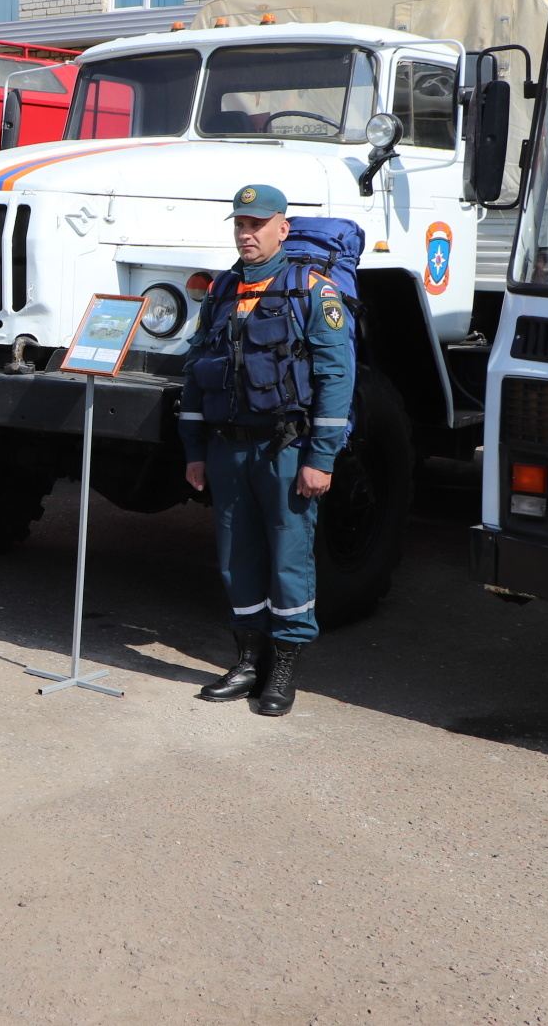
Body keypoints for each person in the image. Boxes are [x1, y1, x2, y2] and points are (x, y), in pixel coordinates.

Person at [179, 185, 353, 717]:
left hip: (285, 450)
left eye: (257, 224)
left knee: (289, 563)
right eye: (239, 224)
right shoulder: (223, 290)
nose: (246, 234)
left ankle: (282, 670)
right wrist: (194, 450)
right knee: (237, 561)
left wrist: (321, 458)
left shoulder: (312, 290)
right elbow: (195, 372)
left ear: (283, 227)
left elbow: (336, 377)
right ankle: (247, 660)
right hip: (228, 451)